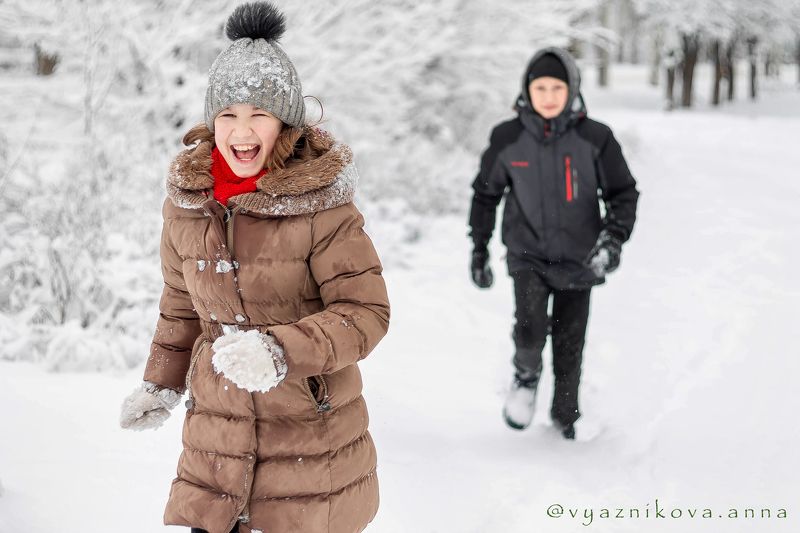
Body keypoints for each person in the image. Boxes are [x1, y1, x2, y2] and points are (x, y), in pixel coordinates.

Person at [119, 3, 390, 532]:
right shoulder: (189, 203)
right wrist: (161, 385)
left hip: (308, 448)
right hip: (216, 442)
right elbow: (180, 306)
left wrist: (281, 351)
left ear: (284, 122)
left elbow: (366, 312)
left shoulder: (322, 207)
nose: (241, 131)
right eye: (228, 115)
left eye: (258, 114)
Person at [468, 47, 638, 440]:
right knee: (529, 330)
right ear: (527, 90)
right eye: (539, 86)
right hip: (527, 254)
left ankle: (565, 421)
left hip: (581, 258)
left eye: (556, 87)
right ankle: (525, 380)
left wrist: (612, 241)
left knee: (569, 345)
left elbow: (623, 193)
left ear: (572, 89)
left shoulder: (595, 138)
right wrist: (479, 248)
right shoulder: (507, 137)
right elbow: (485, 195)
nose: (547, 95)